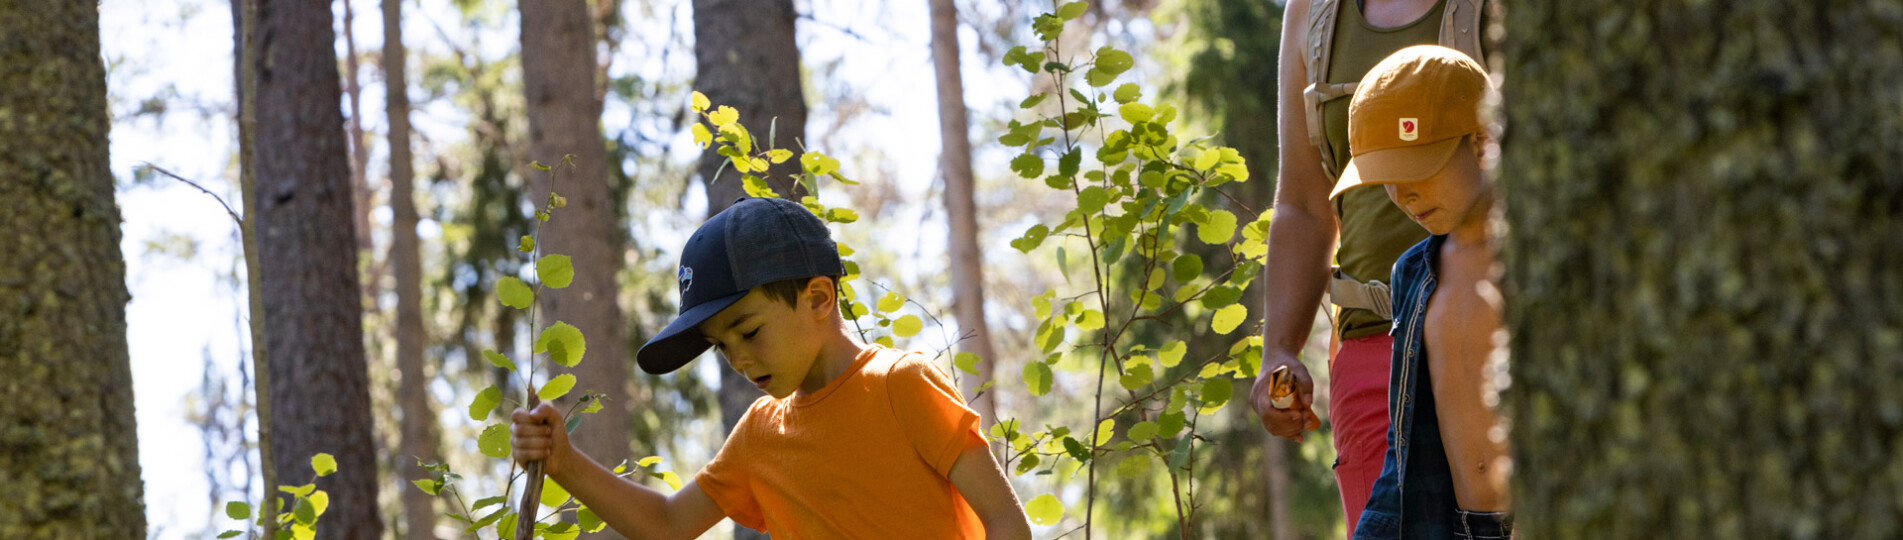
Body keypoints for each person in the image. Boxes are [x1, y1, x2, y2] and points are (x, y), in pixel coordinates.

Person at [510, 197, 1033, 539]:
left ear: (820, 298)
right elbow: (668, 524)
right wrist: (565, 462)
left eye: (749, 331)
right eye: (720, 346)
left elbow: (1007, 522)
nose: (738, 358)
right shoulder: (761, 432)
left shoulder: (901, 384)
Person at [1251, 0, 1488, 536]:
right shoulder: (1311, 12)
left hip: (1492, 330)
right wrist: (1279, 350)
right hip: (1373, 351)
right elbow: (1304, 204)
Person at [1328, 45, 1511, 539]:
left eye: (1418, 169)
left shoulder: (1531, 259)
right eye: (1387, 180)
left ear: (1482, 140)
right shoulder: (1413, 273)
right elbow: (1402, 449)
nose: (1402, 196)